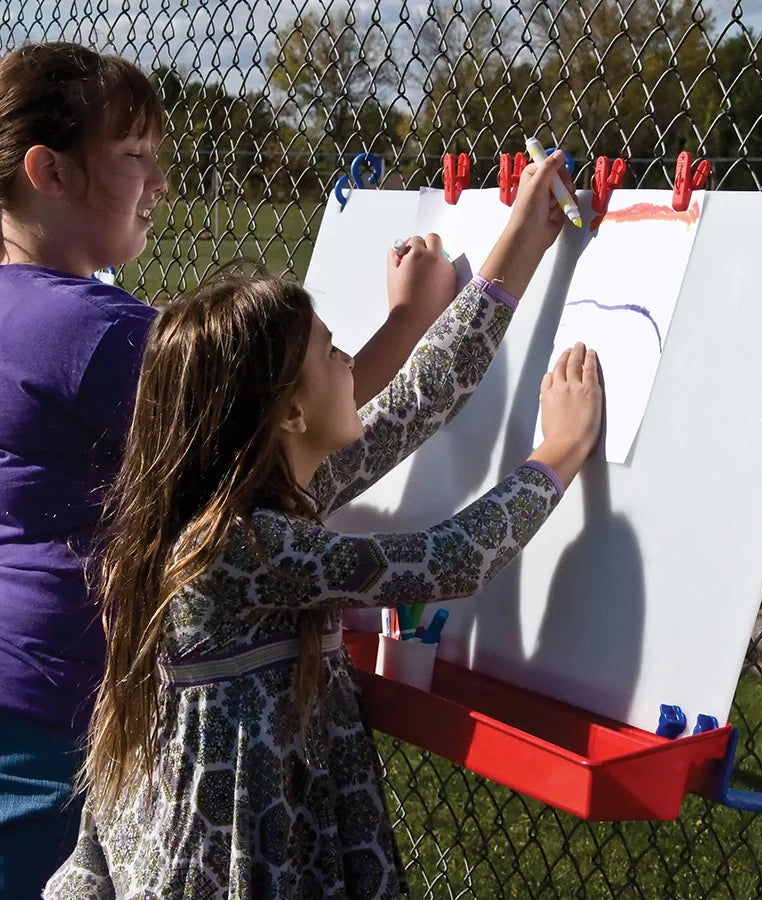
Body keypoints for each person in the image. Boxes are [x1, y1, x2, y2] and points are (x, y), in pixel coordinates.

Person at [45, 157, 602, 897]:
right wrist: (557, 452)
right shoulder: (243, 546)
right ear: (290, 416)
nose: (352, 365)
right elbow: (452, 560)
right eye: (333, 353)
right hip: (218, 871)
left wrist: (521, 244)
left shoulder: (254, 494)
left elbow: (420, 398)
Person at [0, 41, 458, 898]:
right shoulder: (92, 332)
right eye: (134, 156)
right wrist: (413, 319)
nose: (159, 182)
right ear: (47, 171)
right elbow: (286, 421)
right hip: (67, 700)